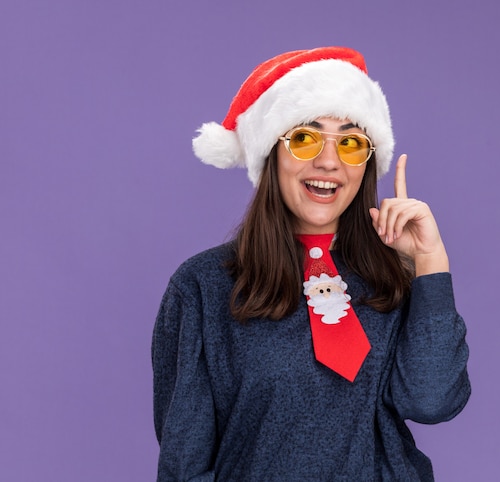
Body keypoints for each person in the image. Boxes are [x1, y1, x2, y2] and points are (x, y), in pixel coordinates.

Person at [152, 46, 470, 482]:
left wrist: (431, 263)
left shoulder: (392, 275)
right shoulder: (203, 287)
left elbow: (432, 401)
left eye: (352, 143)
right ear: (271, 156)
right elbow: (183, 467)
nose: (328, 161)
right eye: (304, 138)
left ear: (367, 164)